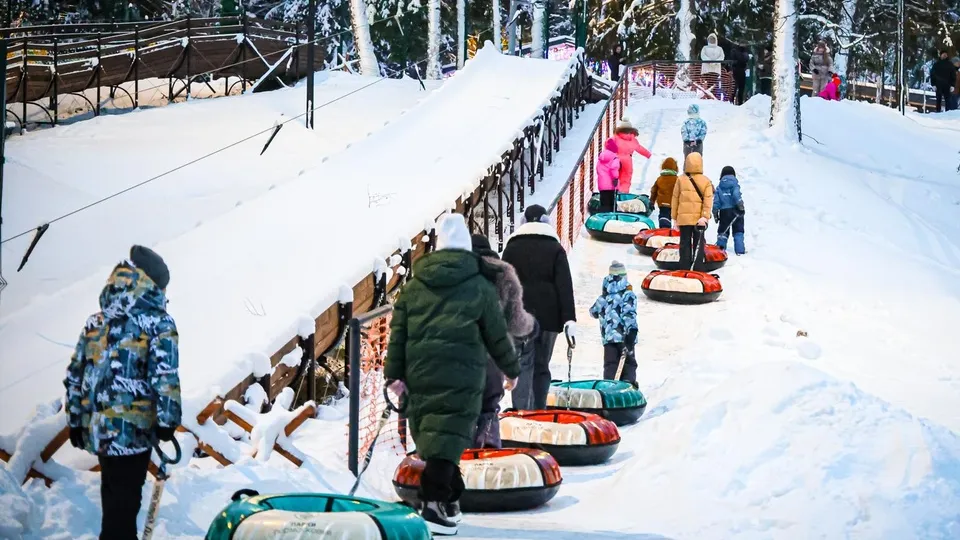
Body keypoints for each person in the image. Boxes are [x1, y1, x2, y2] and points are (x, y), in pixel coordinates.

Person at [385, 213, 519, 535]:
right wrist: (511, 369)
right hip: (463, 374)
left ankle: (446, 498)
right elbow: (496, 335)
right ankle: (433, 505)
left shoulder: (414, 287)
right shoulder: (479, 287)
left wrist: (394, 373)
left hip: (420, 372)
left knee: (434, 436)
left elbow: (398, 333)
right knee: (449, 435)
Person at [64, 245, 181, 540]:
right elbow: (164, 376)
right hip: (133, 434)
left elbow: (76, 375)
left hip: (100, 432)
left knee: (114, 505)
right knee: (124, 510)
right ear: (153, 285)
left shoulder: (96, 322)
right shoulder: (159, 323)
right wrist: (168, 420)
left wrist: (76, 420)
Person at [501, 204, 576, 411]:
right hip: (550, 318)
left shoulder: (512, 248)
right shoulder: (555, 248)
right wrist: (569, 319)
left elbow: (503, 284)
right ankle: (539, 413)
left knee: (523, 365)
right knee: (542, 366)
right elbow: (565, 286)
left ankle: (521, 414)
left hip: (519, 317)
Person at [470, 234, 537, 450]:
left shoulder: (452, 275)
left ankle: (462, 457)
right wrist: (531, 328)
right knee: (489, 405)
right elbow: (516, 321)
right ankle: (488, 453)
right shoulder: (502, 273)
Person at [589, 261, 638, 387]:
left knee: (610, 364)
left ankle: (609, 386)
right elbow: (629, 314)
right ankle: (628, 384)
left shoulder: (603, 298)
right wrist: (632, 331)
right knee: (629, 363)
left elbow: (593, 312)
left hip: (609, 339)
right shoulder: (628, 295)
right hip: (625, 337)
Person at [671, 152, 715, 271]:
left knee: (684, 243)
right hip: (698, 220)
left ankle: (684, 267)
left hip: (683, 219)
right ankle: (697, 267)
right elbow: (708, 201)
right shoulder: (706, 181)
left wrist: (674, 217)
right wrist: (705, 216)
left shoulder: (680, 180)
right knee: (698, 244)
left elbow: (675, 199)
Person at [712, 165, 746, 255]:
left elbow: (716, 201)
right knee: (738, 231)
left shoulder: (719, 187)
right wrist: (740, 205)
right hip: (736, 211)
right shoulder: (734, 184)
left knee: (723, 232)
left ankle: (720, 250)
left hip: (724, 213)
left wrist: (715, 213)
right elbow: (736, 195)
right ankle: (740, 251)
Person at [612, 119, 651, 194]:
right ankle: (623, 194)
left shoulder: (615, 138)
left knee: (615, 177)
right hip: (627, 161)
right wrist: (648, 154)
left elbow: (608, 147)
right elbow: (639, 148)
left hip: (616, 160)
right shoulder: (632, 139)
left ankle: (614, 193)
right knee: (626, 179)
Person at [649, 157, 679, 228]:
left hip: (662, 203)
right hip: (673, 204)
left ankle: (664, 229)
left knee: (663, 216)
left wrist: (652, 201)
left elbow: (654, 191)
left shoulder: (660, 179)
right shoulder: (677, 180)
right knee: (674, 217)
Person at [596, 138, 621, 213]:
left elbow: (598, 169)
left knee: (604, 204)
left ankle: (604, 219)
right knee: (611, 205)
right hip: (611, 185)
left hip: (602, 185)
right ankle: (610, 219)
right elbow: (614, 168)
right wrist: (615, 178)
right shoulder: (614, 158)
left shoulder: (601, 158)